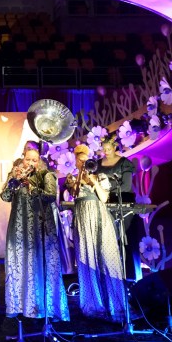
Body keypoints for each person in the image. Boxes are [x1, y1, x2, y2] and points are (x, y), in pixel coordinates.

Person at [0, 142, 69, 321]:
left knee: (39, 261)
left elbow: (50, 196)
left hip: (40, 225)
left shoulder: (46, 175)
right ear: (22, 158)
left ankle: (41, 304)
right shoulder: (14, 173)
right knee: (20, 261)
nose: (31, 163)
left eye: (34, 160)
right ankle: (20, 304)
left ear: (40, 161)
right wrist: (11, 181)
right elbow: (5, 197)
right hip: (19, 225)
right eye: (28, 159)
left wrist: (30, 185)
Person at [67, 144, 128, 323]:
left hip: (100, 220)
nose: (82, 163)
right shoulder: (72, 178)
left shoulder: (100, 176)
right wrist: (80, 175)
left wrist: (92, 180)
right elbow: (75, 193)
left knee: (107, 259)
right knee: (88, 260)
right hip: (83, 222)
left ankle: (115, 305)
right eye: (79, 160)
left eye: (85, 160)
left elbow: (104, 197)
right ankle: (93, 305)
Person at [94, 135, 141, 279]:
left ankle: (130, 277)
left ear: (115, 147)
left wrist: (107, 190)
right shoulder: (97, 164)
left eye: (109, 149)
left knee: (124, 239)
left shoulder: (124, 163)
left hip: (122, 203)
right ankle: (108, 276)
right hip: (103, 203)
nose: (106, 152)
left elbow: (126, 186)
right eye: (104, 149)